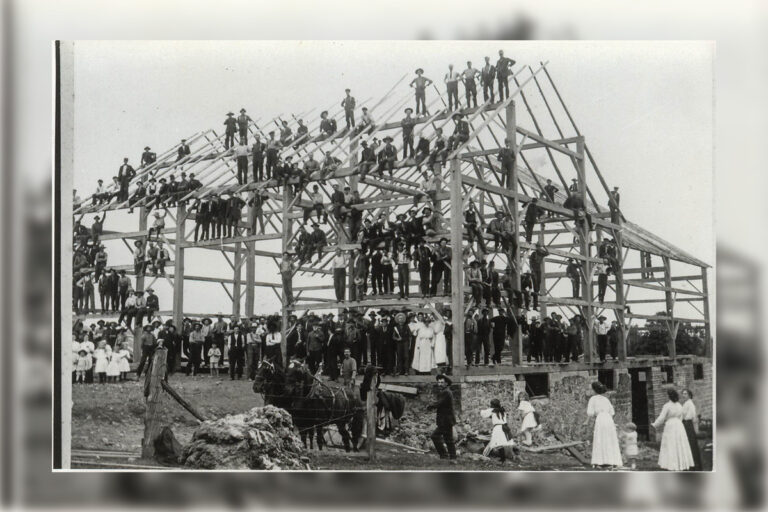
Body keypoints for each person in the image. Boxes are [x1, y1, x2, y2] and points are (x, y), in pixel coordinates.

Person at [651, 388, 695, 471]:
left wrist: (655, 424)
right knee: (679, 444)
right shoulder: (679, 405)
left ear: (669, 396)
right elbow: (681, 416)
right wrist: (678, 422)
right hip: (679, 425)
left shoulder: (667, 406)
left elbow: (662, 417)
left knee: (671, 444)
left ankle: (672, 465)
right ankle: (680, 463)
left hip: (670, 426)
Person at [584, 381, 623, 467]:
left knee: (600, 439)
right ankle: (612, 461)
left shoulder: (593, 399)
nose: (591, 391)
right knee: (610, 439)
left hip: (601, 419)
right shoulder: (606, 399)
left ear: (594, 390)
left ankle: (600, 461)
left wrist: (586, 421)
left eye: (591, 389)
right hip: (609, 419)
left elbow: (590, 413)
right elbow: (612, 412)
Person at [429, 374, 457, 460]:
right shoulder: (446, 392)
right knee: (448, 440)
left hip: (445, 421)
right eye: (438, 382)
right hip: (447, 420)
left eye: (442, 382)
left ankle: (444, 455)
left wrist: (430, 406)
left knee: (435, 436)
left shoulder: (446, 392)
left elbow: (439, 403)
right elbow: (440, 403)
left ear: (446, 383)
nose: (440, 384)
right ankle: (452, 458)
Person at [681, 389, 703, 470]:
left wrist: (684, 419)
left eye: (685, 394)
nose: (684, 395)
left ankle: (694, 463)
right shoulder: (686, 403)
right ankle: (689, 462)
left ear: (689, 395)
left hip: (688, 424)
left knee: (691, 443)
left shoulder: (690, 404)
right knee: (688, 443)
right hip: (686, 423)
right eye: (683, 394)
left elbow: (691, 415)